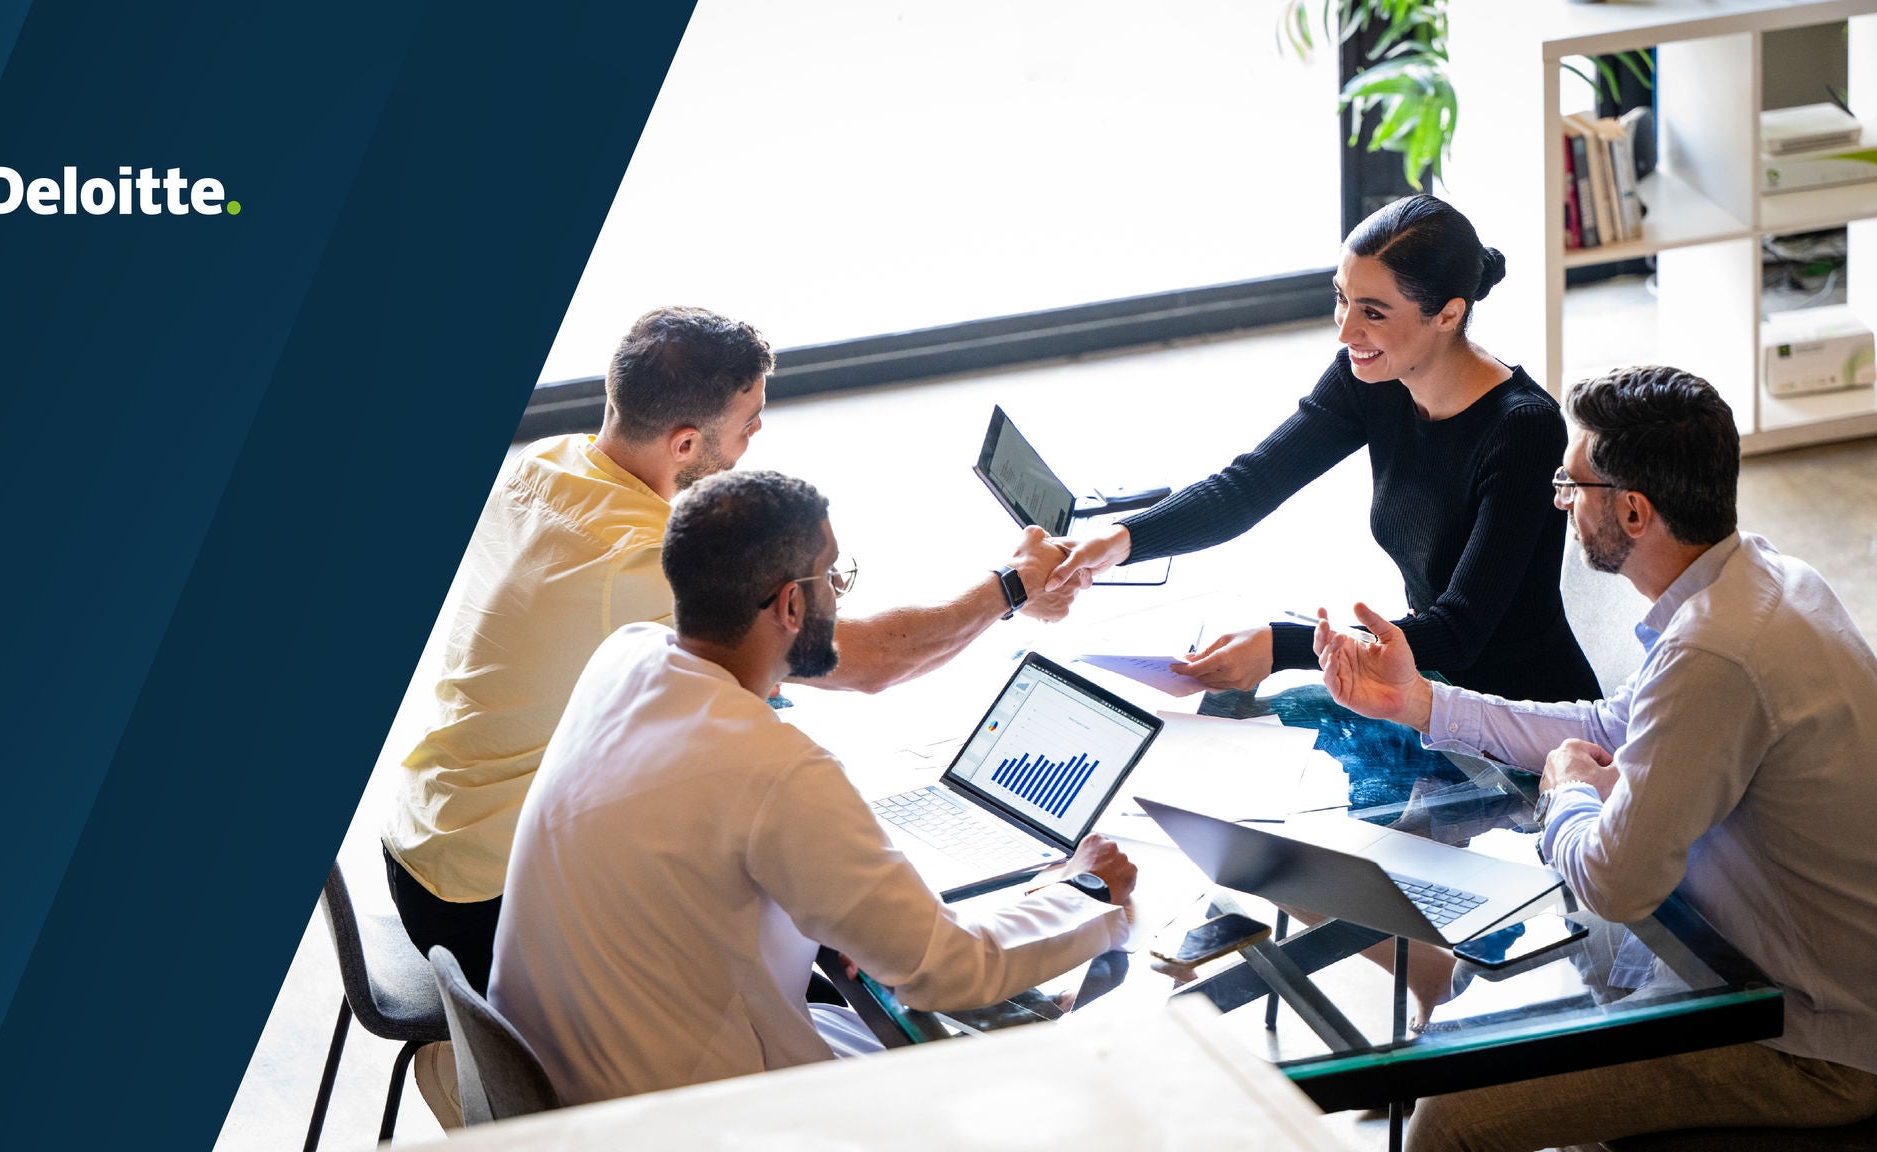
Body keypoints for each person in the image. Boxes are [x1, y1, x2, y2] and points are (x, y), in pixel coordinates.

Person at [382, 306, 1081, 995]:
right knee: (819, 955)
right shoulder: (642, 566)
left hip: (427, 836)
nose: (755, 438)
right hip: (487, 907)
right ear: (684, 445)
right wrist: (1012, 587)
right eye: (747, 428)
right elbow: (867, 661)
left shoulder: (551, 461)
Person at [1314, 365, 1877, 1151]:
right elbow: (1612, 723)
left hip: (1801, 1036)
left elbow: (1615, 880)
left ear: (1635, 511)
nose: (1560, 501)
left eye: (1571, 483)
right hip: (1724, 945)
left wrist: (1567, 794)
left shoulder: (1715, 651)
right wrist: (1420, 704)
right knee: (1499, 963)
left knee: (1452, 1115)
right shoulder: (1759, 580)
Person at [488, 469, 1136, 1105]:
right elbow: (951, 967)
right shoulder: (776, 769)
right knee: (1025, 1083)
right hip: (685, 1113)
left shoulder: (625, 654)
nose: (838, 595)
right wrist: (1084, 892)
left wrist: (850, 914)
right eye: (833, 577)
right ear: (792, 605)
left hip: (570, 1068)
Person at [1048, 195, 1599, 703]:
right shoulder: (1370, 377)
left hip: (1521, 711)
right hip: (1421, 684)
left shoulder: (1523, 429)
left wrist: (1281, 648)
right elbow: (1250, 485)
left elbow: (1459, 631)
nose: (1345, 331)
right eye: (1342, 297)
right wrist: (1116, 542)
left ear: (1448, 315)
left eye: (1374, 313)